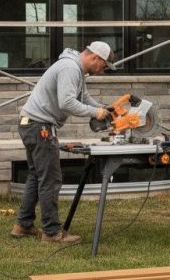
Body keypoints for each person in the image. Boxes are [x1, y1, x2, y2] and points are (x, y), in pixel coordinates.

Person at [10, 41, 113, 243]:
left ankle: (23, 225)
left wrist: (104, 109)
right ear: (95, 58)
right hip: (40, 127)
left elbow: (84, 98)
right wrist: (95, 112)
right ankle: (51, 233)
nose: (103, 70)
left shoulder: (76, 69)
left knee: (36, 176)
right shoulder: (70, 68)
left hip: (31, 124)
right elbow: (66, 103)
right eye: (104, 65)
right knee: (50, 179)